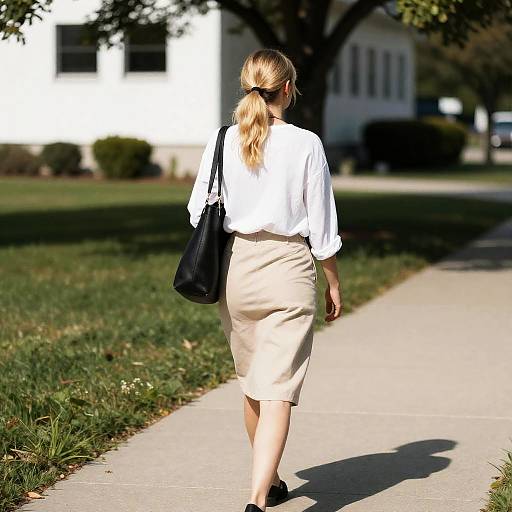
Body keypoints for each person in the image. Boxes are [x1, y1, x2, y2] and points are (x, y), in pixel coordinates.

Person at [186, 48, 343, 512]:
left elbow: (198, 212)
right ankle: (257, 498)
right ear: (288, 89)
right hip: (289, 269)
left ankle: (270, 482)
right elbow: (323, 226)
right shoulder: (306, 144)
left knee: (255, 385)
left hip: (237, 271)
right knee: (278, 391)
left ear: (247, 86)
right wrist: (333, 282)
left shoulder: (221, 141)